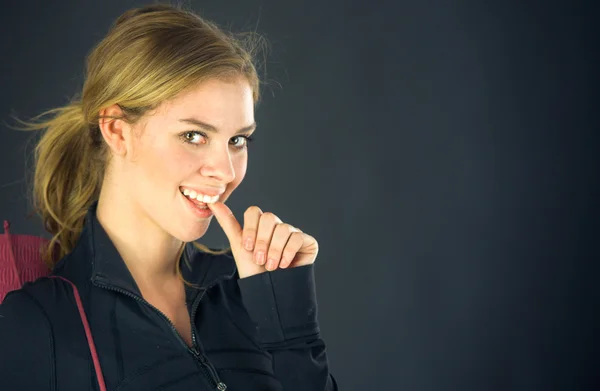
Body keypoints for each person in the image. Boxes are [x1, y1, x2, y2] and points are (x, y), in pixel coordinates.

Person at [0, 3, 337, 390]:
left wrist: (288, 324)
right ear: (117, 131)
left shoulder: (250, 289)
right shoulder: (39, 323)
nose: (225, 172)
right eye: (194, 136)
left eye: (237, 140)